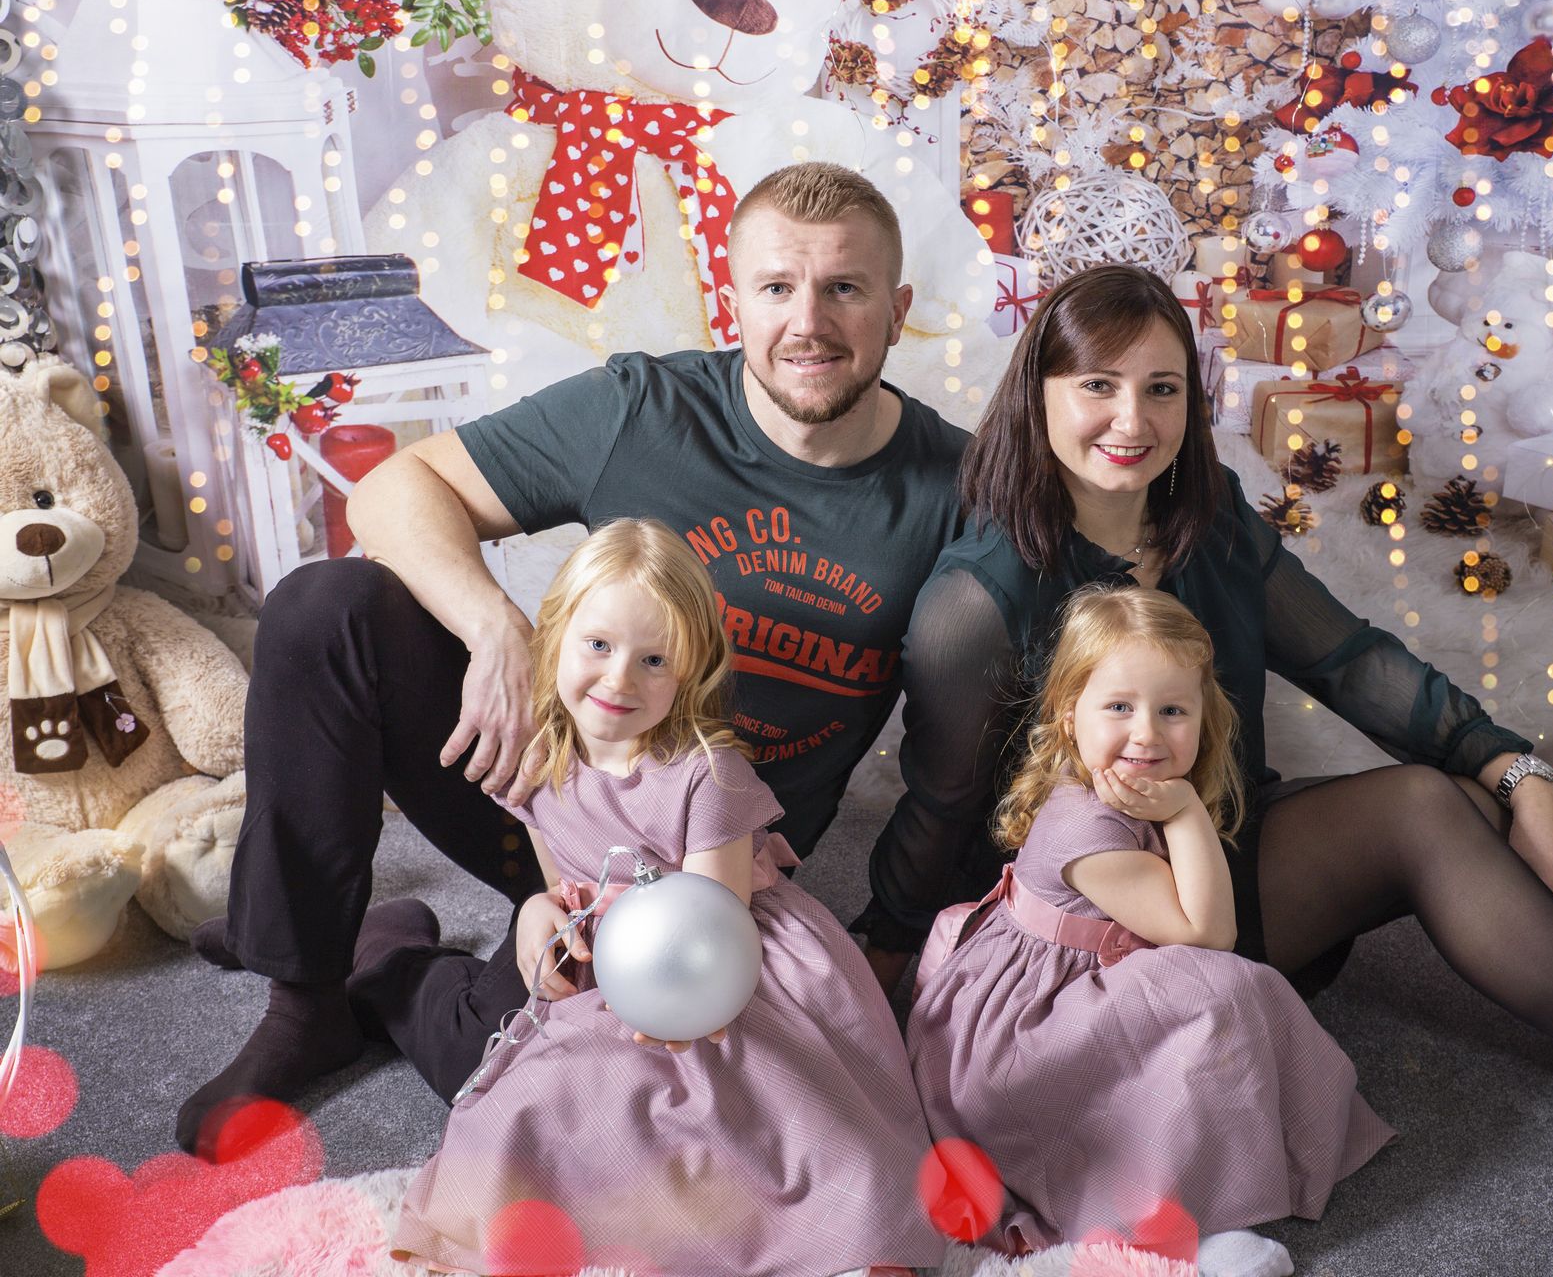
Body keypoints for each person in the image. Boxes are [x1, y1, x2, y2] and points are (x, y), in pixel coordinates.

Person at [863, 263, 1553, 1186]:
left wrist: (1517, 772)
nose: (1130, 419)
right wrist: (893, 957)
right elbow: (942, 803)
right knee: (1423, 810)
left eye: (1161, 387)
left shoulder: (1203, 515)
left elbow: (1349, 659)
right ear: (1038, 394)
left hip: (1221, 834)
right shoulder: (978, 596)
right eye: (1097, 385)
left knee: (1467, 799)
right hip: (1116, 928)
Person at [177, 161, 972, 1154]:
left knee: (542, 1090)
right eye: (777, 286)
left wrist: (904, 934)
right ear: (735, 298)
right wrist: (496, 630)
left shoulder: (957, 486)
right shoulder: (643, 410)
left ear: (898, 309)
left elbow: (989, 724)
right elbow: (390, 492)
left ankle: (388, 968)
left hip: (708, 861)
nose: (807, 322)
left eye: (844, 288)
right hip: (546, 790)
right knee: (324, 609)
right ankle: (302, 995)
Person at [390, 520, 941, 1277]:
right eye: (598, 646)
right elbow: (561, 883)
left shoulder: (704, 775)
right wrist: (540, 912)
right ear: (554, 638)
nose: (619, 681)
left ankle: (831, 1236)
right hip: (615, 960)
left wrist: (663, 1006)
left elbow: (711, 929)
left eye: (654, 661)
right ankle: (392, 969)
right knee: (531, 1103)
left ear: (690, 673)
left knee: (757, 1122)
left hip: (721, 972)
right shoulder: (541, 760)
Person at [908, 584, 1391, 1261]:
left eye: (1172, 710)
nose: (1147, 733)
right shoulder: (1087, 832)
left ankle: (1212, 1158)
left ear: (1202, 715)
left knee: (1218, 997)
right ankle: (1160, 1193)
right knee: (1223, 991)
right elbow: (1209, 937)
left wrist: (1181, 808)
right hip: (1025, 1029)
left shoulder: (1123, 785)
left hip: (1079, 976)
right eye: (1120, 707)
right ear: (1070, 715)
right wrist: (1187, 812)